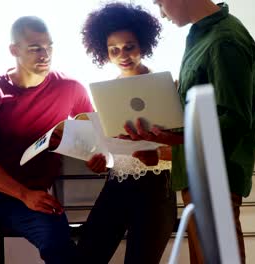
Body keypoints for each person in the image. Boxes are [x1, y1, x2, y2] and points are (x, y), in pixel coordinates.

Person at [0, 16, 107, 264]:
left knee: (61, 249)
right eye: (35, 48)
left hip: (34, 196)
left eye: (49, 46)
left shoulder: (71, 88)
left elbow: (92, 139)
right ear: (14, 50)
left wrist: (95, 158)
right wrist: (23, 194)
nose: (45, 54)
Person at [124, 1, 255, 263]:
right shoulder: (200, 35)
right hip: (198, 176)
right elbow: (199, 116)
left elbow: (232, 123)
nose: (161, 13)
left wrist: (168, 139)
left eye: (160, 3)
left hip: (215, 179)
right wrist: (159, 135)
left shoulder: (225, 40)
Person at [77, 3, 177, 264]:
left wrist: (159, 155)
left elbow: (186, 146)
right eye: (114, 50)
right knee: (86, 255)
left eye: (129, 46)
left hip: (156, 187)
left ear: (142, 44)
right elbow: (109, 144)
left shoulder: (166, 87)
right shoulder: (105, 94)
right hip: (117, 184)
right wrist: (99, 159)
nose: (123, 55)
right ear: (105, 53)